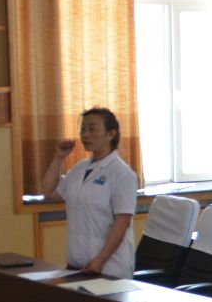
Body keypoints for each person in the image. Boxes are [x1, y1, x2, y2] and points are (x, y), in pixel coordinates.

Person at [40, 107, 139, 278]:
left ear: (111, 134)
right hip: (76, 264)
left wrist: (100, 260)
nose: (85, 135)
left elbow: (122, 223)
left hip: (109, 267)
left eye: (92, 129)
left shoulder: (122, 174)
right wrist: (58, 158)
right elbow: (49, 191)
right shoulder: (80, 168)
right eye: (83, 129)